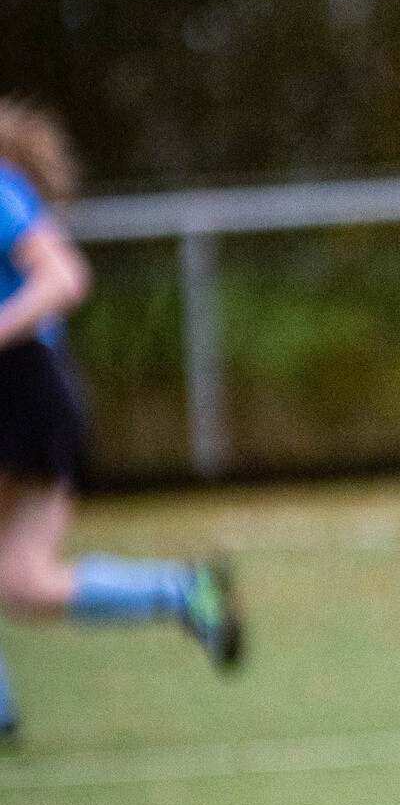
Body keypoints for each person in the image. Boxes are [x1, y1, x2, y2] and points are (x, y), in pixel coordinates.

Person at [0, 99, 242, 746]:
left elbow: (64, 277)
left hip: (22, 392)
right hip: (28, 393)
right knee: (23, 581)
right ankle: (179, 592)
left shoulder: (0, 190)